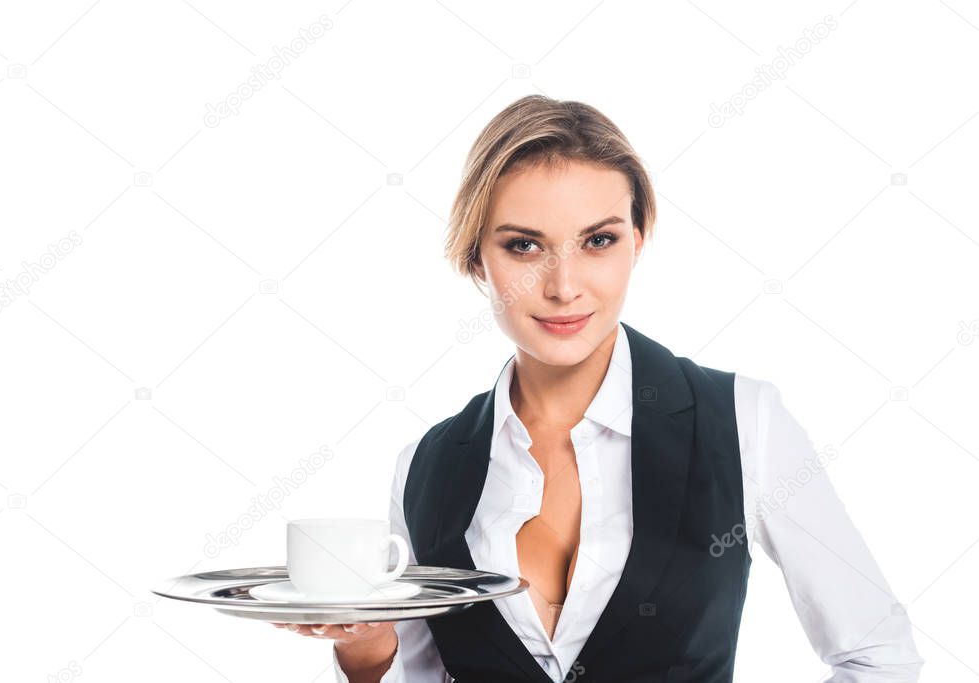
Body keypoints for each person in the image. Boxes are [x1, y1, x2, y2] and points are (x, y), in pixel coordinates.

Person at [274, 94, 924, 682]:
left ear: (637, 239)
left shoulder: (740, 421)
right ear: (477, 256)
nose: (563, 285)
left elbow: (876, 655)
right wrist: (364, 653)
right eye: (524, 246)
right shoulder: (427, 463)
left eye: (598, 240)